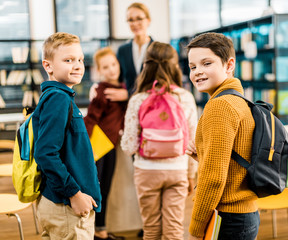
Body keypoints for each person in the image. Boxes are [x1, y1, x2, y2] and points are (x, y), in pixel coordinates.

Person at [186, 32, 260, 240]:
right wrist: (203, 156)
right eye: (193, 67)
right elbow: (234, 162)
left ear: (229, 65)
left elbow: (213, 179)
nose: (198, 72)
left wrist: (196, 228)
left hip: (229, 217)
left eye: (206, 63)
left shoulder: (220, 106)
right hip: (244, 214)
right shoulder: (238, 99)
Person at [121, 41, 198, 240]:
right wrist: (191, 175)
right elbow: (192, 142)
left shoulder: (137, 99)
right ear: (174, 66)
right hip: (178, 170)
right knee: (173, 230)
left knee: (151, 230)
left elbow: (129, 147)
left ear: (146, 66)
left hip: (146, 171)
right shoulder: (185, 97)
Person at [33, 32, 101, 239]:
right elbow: (45, 153)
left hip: (65, 205)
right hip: (66, 206)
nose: (78, 65)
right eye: (68, 60)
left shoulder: (61, 97)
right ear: (48, 66)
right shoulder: (58, 99)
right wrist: (74, 193)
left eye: (80, 59)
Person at [83, 47, 127, 240]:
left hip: (112, 145)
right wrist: (83, 144)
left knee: (106, 187)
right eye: (106, 67)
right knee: (98, 188)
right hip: (98, 146)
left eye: (113, 64)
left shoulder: (123, 88)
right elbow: (91, 118)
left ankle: (100, 230)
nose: (111, 69)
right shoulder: (102, 90)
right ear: (100, 70)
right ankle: (95, 231)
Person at [100, 2, 153, 102]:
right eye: (130, 20)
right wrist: (98, 87)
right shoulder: (123, 50)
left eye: (139, 18)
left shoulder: (157, 49)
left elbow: (162, 82)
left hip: (152, 104)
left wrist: (129, 94)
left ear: (148, 20)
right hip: (129, 106)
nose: (135, 23)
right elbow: (116, 79)